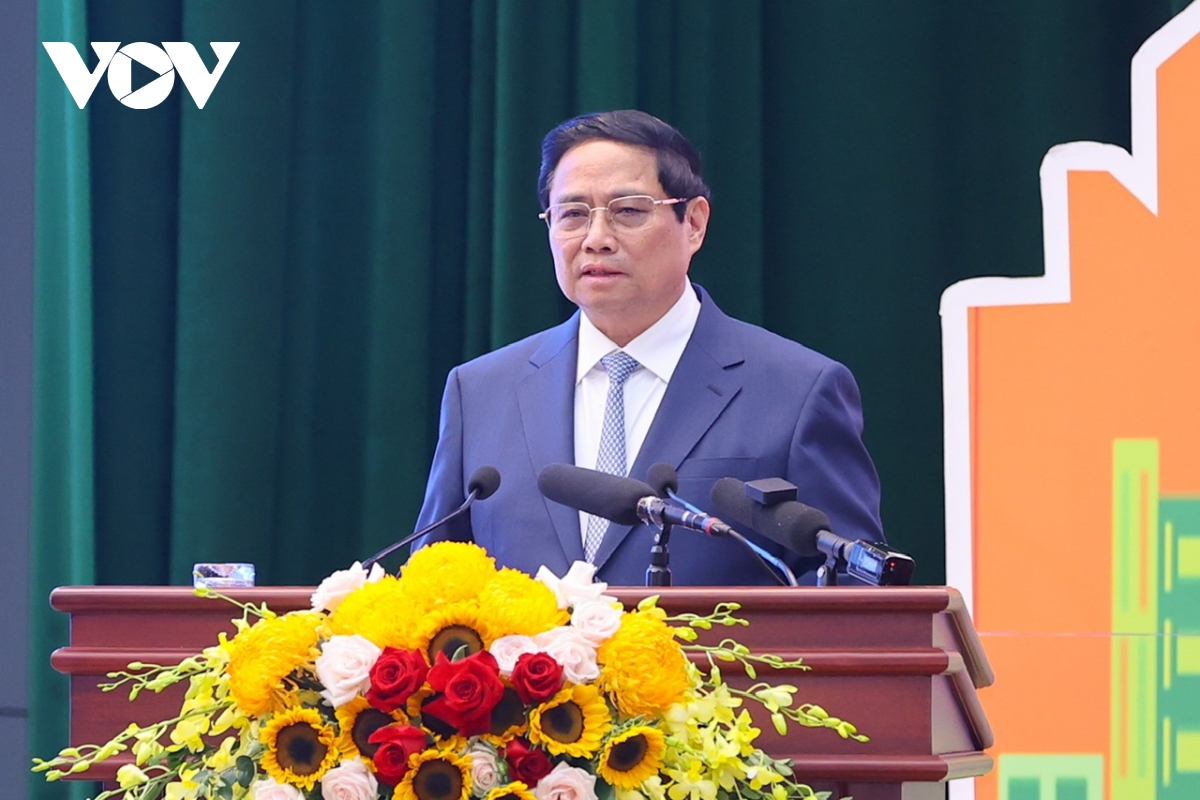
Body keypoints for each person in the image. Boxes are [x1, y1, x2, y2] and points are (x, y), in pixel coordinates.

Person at [413, 109, 883, 585]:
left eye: (628, 211)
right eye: (572, 214)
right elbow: (432, 583)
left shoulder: (798, 390)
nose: (596, 239)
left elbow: (851, 587)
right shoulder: (480, 391)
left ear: (694, 223)